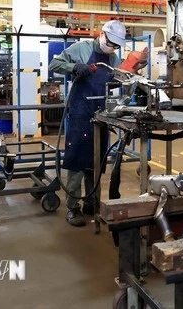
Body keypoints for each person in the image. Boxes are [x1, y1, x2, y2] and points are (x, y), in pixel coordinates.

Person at [49, 20, 126, 227]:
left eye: (116, 45)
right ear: (102, 35)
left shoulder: (113, 58)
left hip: (101, 115)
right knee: (76, 162)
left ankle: (91, 202)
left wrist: (128, 73)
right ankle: (73, 207)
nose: (111, 48)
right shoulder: (81, 49)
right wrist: (75, 67)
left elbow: (116, 80)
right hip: (80, 113)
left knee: (96, 162)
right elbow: (54, 65)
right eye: (110, 42)